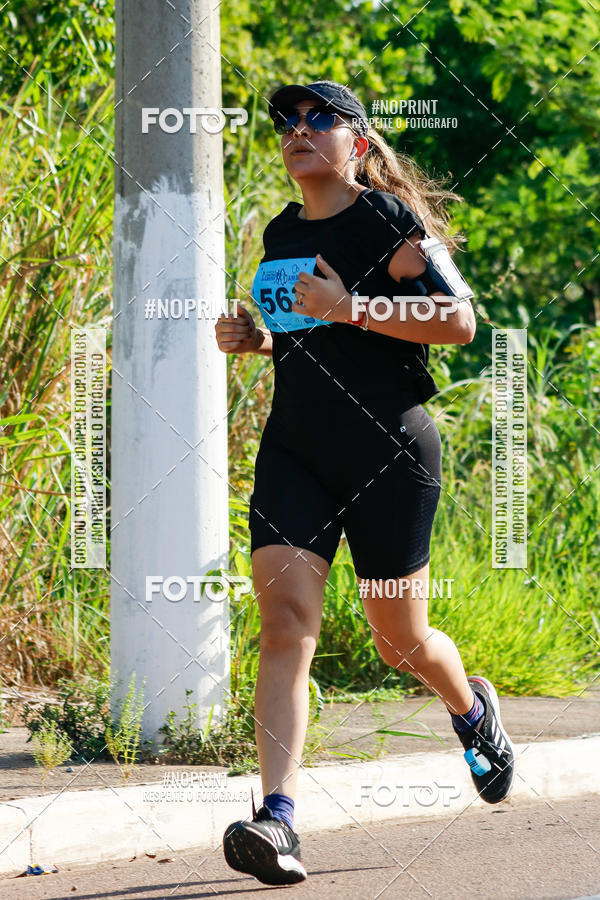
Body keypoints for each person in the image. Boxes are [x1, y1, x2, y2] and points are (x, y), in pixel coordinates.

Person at [216, 80, 515, 886]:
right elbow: (306, 338)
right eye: (287, 121)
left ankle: (471, 710)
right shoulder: (281, 231)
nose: (298, 130)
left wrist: (351, 305)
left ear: (360, 141)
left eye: (319, 119)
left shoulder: (392, 224)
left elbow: (459, 321)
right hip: (297, 450)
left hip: (390, 450)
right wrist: (255, 337)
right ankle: (277, 820)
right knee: (284, 625)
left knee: (398, 641)